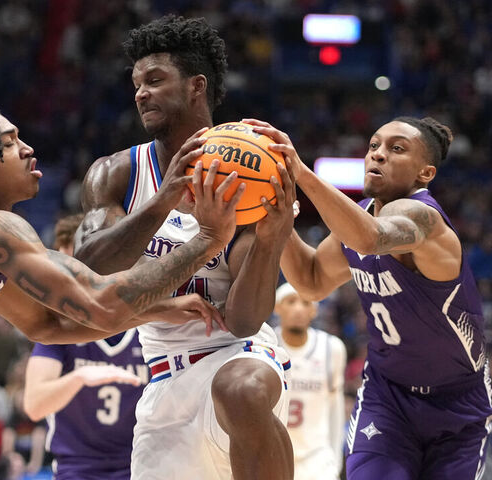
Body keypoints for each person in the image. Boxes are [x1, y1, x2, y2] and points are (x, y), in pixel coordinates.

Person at [0, 95, 242, 478]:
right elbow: (99, 300)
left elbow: (48, 325)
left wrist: (156, 310)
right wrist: (207, 240)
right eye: (6, 143)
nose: (26, 149)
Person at [75, 16, 295, 480]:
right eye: (136, 83)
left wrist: (272, 240)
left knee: (242, 391)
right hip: (163, 376)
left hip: (240, 354)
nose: (140, 93)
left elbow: (242, 319)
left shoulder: (250, 176)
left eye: (154, 80)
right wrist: (163, 199)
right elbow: (89, 271)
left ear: (197, 86)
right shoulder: (117, 173)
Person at [248, 116, 492, 479]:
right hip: (387, 395)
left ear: (425, 173)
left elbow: (371, 239)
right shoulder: (361, 217)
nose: (377, 155)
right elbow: (312, 281)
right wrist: (275, 218)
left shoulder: (424, 219)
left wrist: (300, 172)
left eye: (396, 149)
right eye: (374, 145)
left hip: (457, 405)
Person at [24, 213, 148, 479]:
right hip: (77, 469)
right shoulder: (58, 329)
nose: (66, 275)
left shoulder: (148, 325)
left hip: (141, 465)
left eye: (70, 261)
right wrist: (80, 377)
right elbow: (34, 404)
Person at [273, 282, 347, 480]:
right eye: (291, 302)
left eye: (305, 303)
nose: (298, 309)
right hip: (274, 457)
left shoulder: (332, 348)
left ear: (314, 311)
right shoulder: (266, 346)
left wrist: (335, 459)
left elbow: (336, 407)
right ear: (277, 308)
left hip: (317, 459)